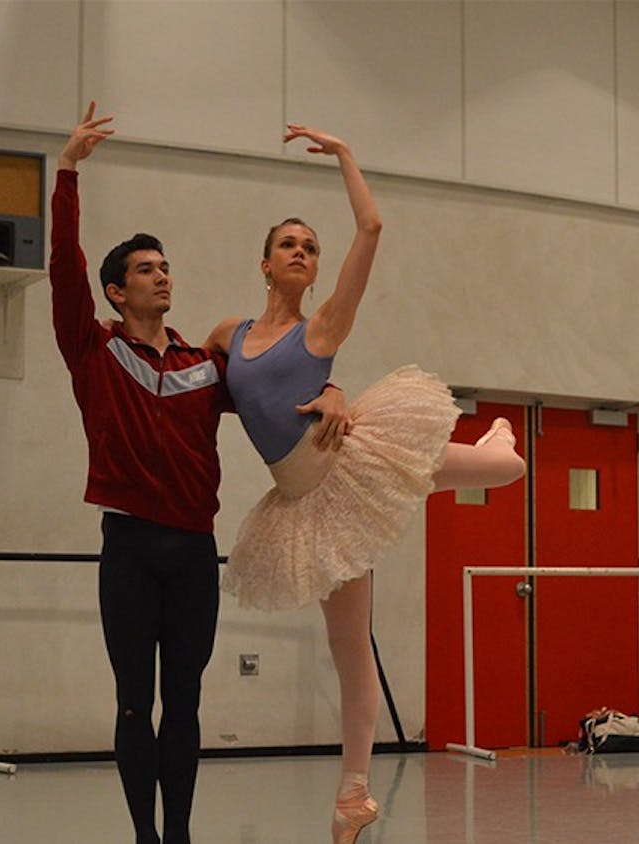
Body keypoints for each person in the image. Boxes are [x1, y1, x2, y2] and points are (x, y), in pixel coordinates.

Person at [207, 125, 526, 844]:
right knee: (352, 651)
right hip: (303, 502)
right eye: (288, 243)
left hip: (352, 465)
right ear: (264, 262)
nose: (300, 252)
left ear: (316, 271)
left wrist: (346, 156)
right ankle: (354, 797)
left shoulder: (323, 327)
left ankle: (499, 437)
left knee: (507, 469)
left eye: (311, 247)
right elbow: (200, 387)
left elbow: (373, 227)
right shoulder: (227, 335)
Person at [48, 104, 350, 844]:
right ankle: (144, 838)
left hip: (189, 553)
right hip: (128, 550)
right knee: (133, 701)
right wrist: (67, 173)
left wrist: (335, 387)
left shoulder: (201, 368)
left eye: (165, 267)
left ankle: (177, 837)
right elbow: (65, 268)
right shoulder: (94, 350)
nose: (161, 276)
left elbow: (278, 385)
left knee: (183, 701)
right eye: (145, 270)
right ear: (118, 292)